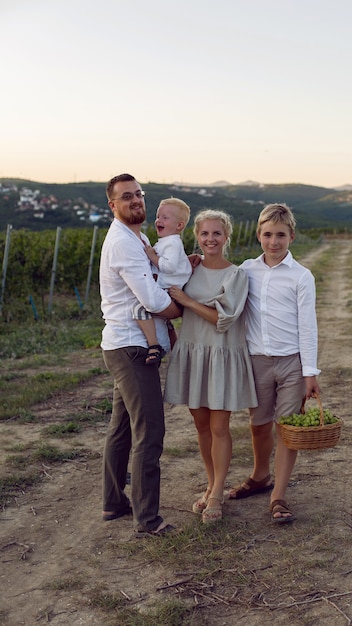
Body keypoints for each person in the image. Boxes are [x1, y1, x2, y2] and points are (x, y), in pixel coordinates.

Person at [99, 173, 181, 536]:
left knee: (121, 429)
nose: (136, 201)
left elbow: (154, 278)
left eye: (138, 194)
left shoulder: (139, 237)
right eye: (126, 197)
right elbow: (152, 299)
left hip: (126, 344)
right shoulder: (122, 243)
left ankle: (114, 502)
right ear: (112, 205)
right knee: (150, 431)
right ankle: (147, 520)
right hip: (132, 347)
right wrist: (185, 308)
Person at [164, 210, 258, 524]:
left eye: (217, 234)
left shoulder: (236, 275)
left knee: (219, 427)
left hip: (221, 354)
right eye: (205, 234)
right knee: (201, 426)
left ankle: (217, 493)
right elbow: (166, 294)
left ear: (226, 236)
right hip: (193, 353)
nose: (210, 239)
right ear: (197, 236)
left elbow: (223, 318)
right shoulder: (188, 269)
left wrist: (189, 302)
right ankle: (210, 483)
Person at [229, 203, 321, 524]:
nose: (273, 242)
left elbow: (308, 325)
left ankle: (278, 494)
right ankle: (259, 475)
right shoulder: (246, 271)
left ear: (291, 236)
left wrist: (310, 372)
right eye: (267, 235)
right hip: (257, 360)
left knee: (287, 428)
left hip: (292, 363)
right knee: (258, 423)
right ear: (259, 235)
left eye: (280, 235)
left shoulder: (301, 276)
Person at [131, 198, 192, 364]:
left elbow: (169, 266)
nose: (159, 220)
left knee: (139, 309)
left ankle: (154, 345)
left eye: (165, 217)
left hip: (168, 291)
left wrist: (152, 256)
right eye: (158, 216)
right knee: (164, 322)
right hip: (166, 290)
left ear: (179, 225)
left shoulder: (172, 243)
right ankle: (176, 352)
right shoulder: (168, 242)